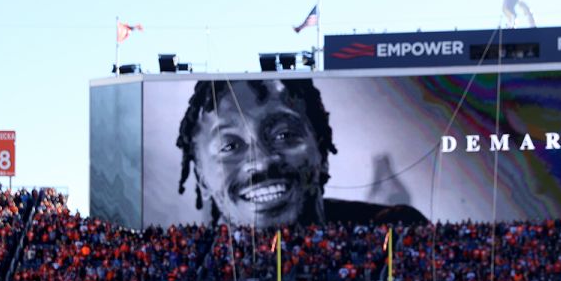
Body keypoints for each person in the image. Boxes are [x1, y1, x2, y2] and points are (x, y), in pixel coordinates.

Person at [175, 79, 427, 228]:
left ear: (321, 150)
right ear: (202, 179)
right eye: (230, 146)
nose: (261, 163)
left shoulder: (394, 229)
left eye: (283, 135)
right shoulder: (186, 267)